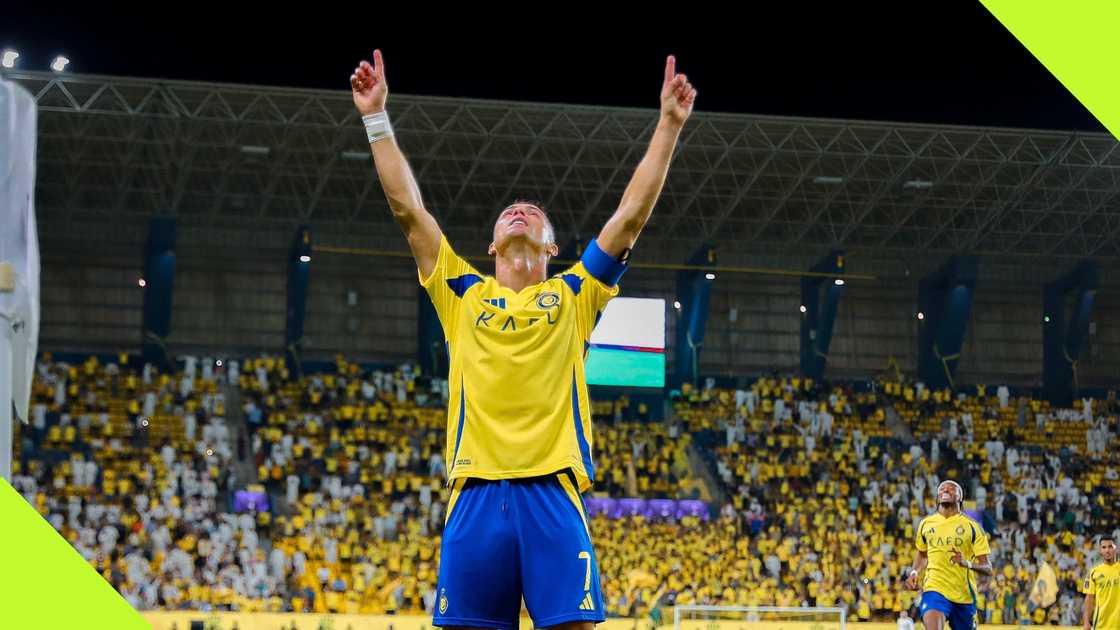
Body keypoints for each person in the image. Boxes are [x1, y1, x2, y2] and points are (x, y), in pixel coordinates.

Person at [349, 48, 696, 629]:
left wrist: (668, 124)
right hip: (474, 495)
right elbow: (410, 211)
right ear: (489, 247)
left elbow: (630, 216)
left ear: (551, 247)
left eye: (532, 211)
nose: (519, 211)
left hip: (551, 494)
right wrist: (376, 118)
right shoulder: (460, 292)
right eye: (510, 210)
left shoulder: (576, 294)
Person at [906, 480, 993, 630]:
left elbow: (988, 568)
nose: (945, 490)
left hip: (964, 596)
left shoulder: (973, 527)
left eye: (951, 489)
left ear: (960, 497)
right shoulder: (926, 523)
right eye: (942, 489)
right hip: (934, 589)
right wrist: (914, 571)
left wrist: (967, 563)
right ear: (938, 496)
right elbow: (921, 553)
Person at [1084, 534, 1120, 630]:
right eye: (1104, 547)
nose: (1107, 550)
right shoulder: (1093, 572)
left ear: (1115, 549)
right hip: (1101, 625)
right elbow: (1089, 599)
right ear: (1100, 550)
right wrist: (1086, 622)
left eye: (1110, 547)